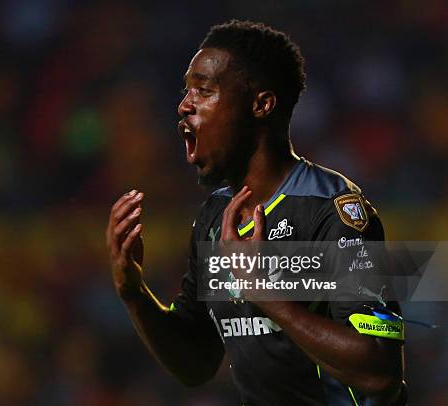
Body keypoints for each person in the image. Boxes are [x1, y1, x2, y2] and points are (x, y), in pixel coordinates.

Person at [105, 20, 406, 405]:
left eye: (204, 89)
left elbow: (380, 371)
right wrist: (134, 293)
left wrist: (269, 295)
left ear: (261, 104)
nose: (184, 104)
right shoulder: (215, 217)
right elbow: (197, 364)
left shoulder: (331, 211)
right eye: (186, 90)